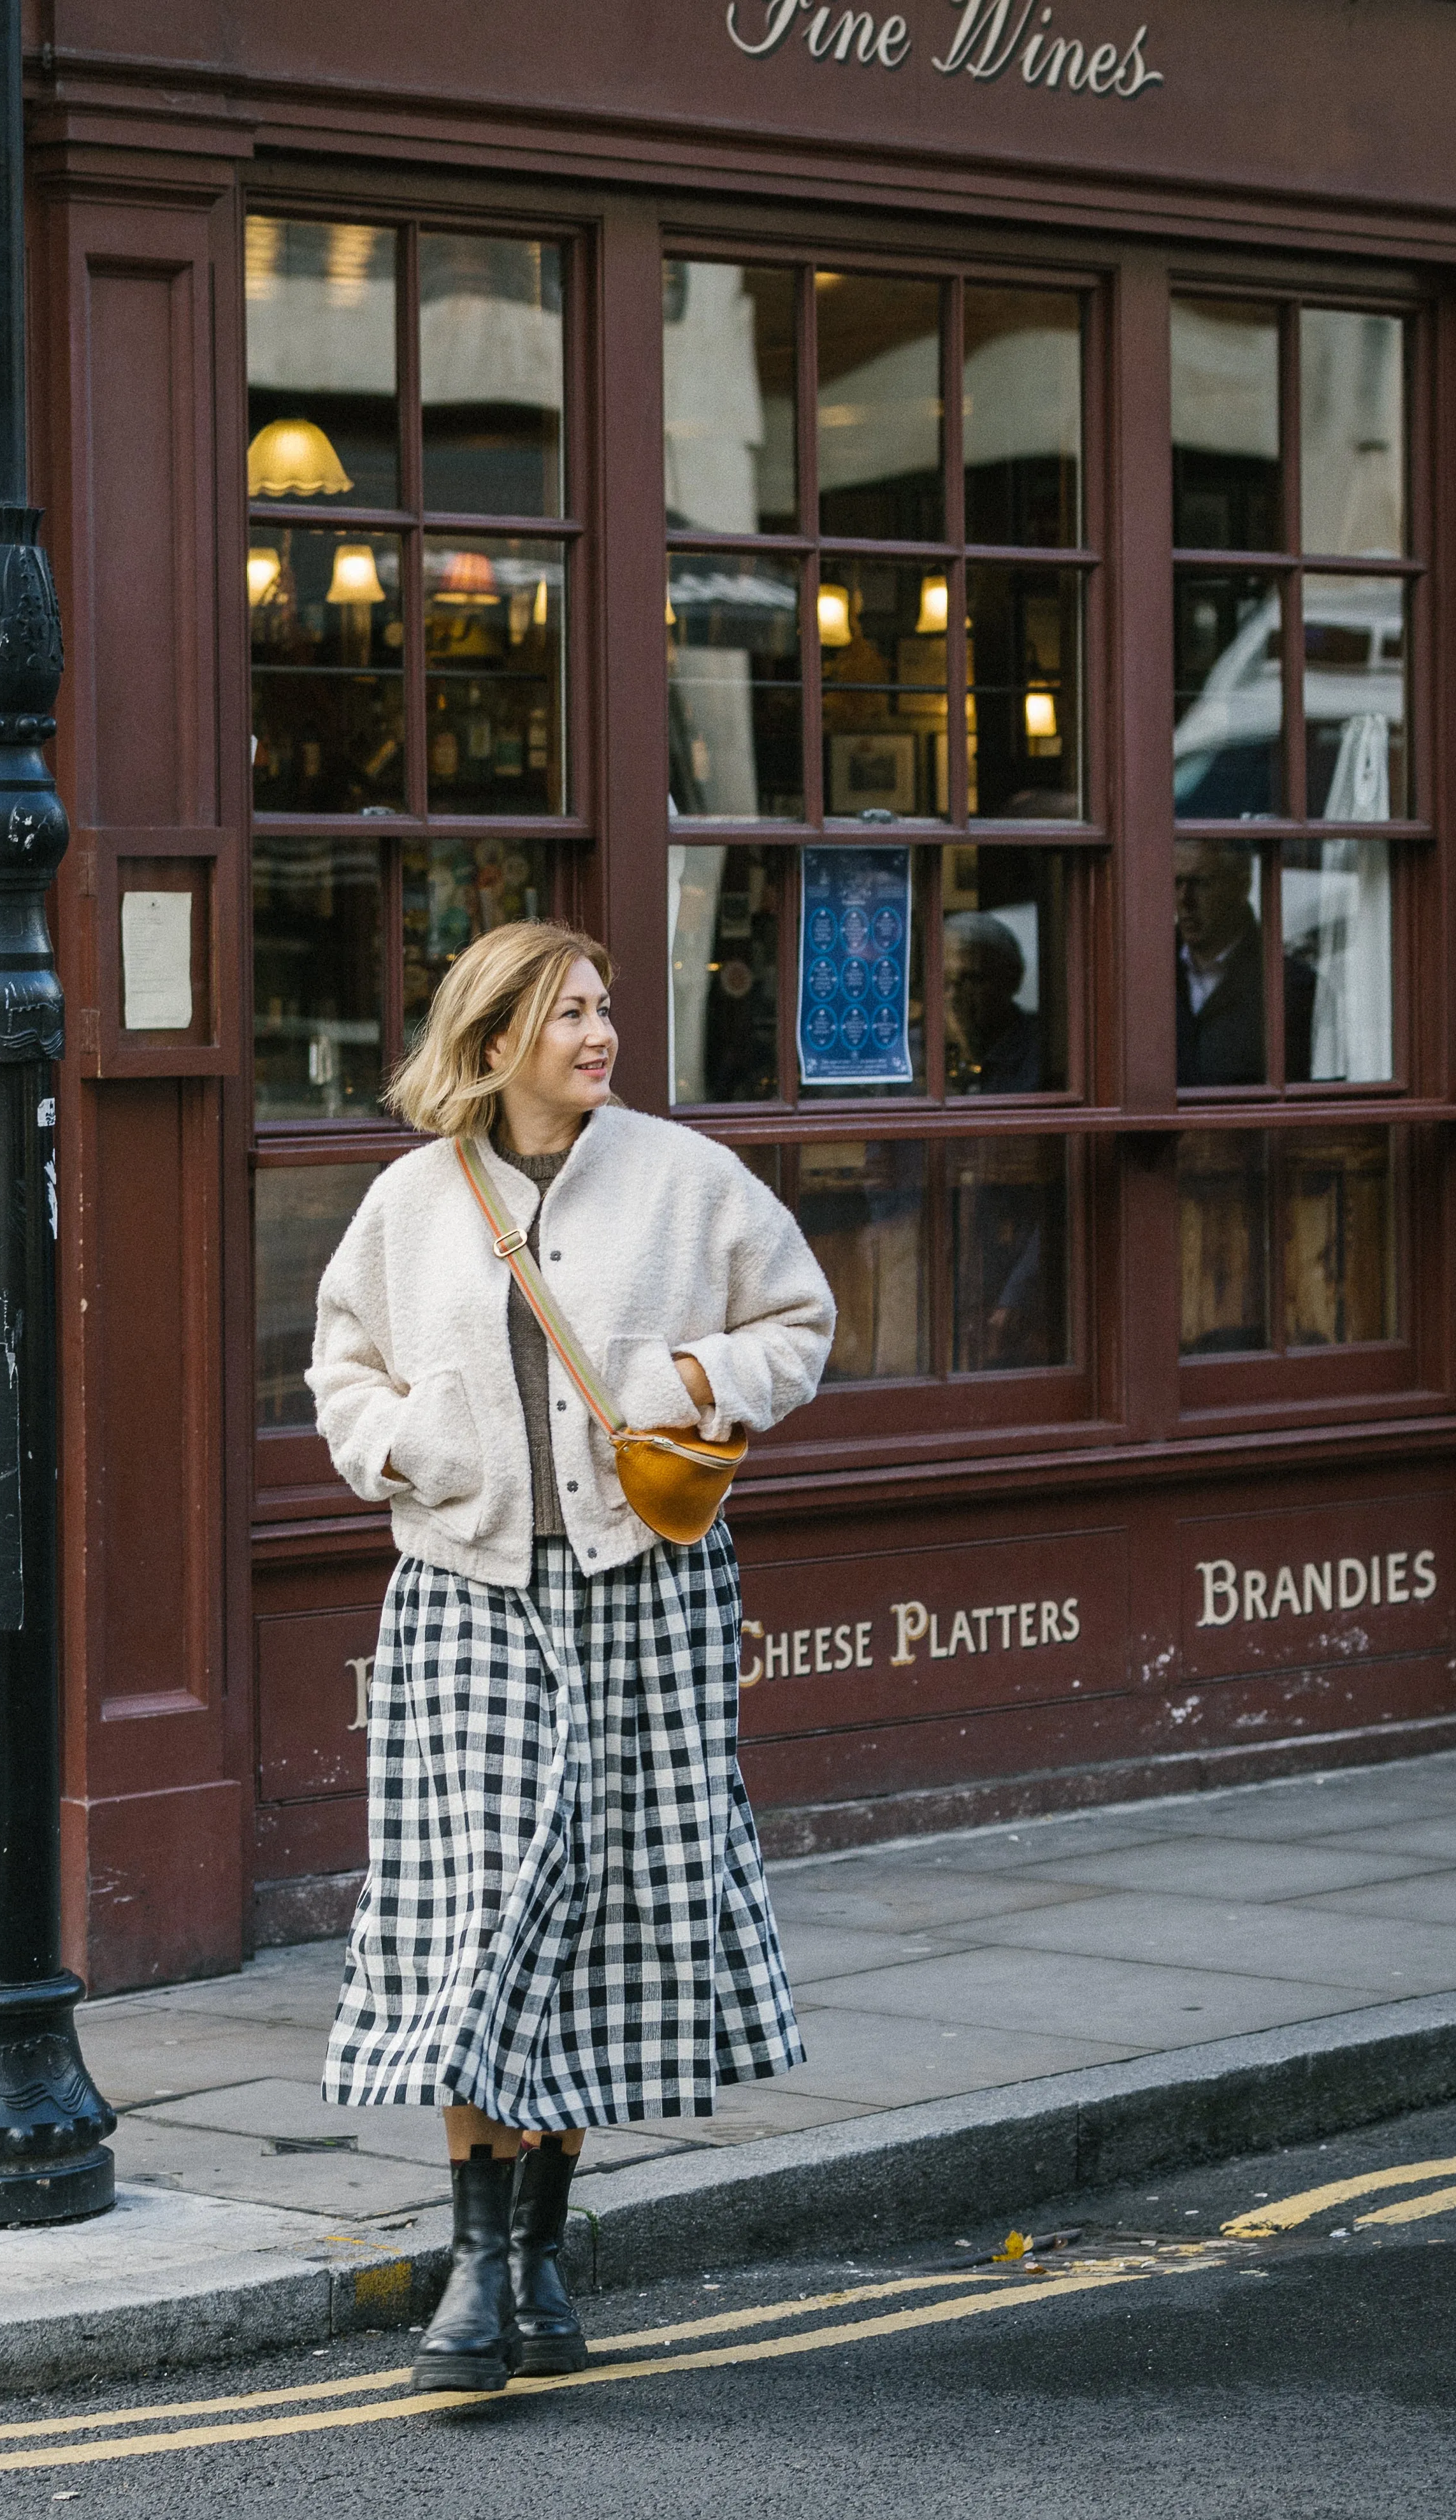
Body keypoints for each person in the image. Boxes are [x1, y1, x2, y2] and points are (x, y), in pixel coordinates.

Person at [308, 921, 834, 2396]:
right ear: (493, 1042)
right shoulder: (411, 1200)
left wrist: (692, 1375)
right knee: (473, 1919)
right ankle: (478, 2260)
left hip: (642, 1591)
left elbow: (797, 1324)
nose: (600, 1035)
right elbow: (339, 1362)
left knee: (591, 1920)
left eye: (605, 1008)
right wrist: (402, 1441)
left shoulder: (684, 1177)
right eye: (568, 1015)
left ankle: (538, 2241)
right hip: (466, 1593)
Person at [1173, 838, 1316, 1086]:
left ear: (1242, 886)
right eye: (1177, 883)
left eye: (1201, 884)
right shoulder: (1144, 977)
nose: (1184, 900)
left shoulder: (1293, 986)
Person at [943, 911, 1044, 1094]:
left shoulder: (1041, 1051)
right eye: (943, 981)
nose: (952, 995)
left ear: (1011, 980)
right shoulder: (915, 1045)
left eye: (970, 980)